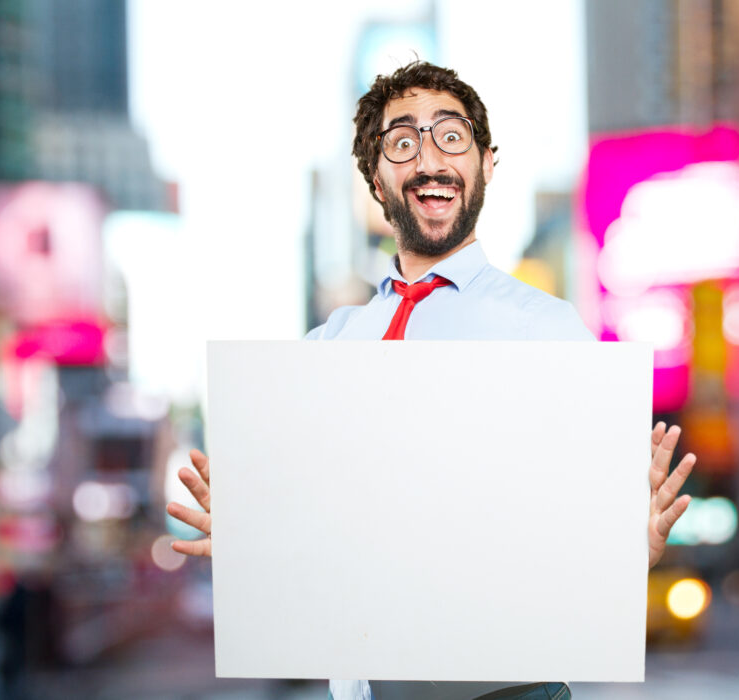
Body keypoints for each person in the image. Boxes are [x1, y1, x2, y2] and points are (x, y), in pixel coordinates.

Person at [167, 61, 695, 700]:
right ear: (375, 177)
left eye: (452, 136)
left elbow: (580, 554)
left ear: (487, 163)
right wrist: (257, 543)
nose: (430, 161)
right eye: (403, 143)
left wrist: (625, 546)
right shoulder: (326, 349)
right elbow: (327, 542)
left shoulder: (548, 333)